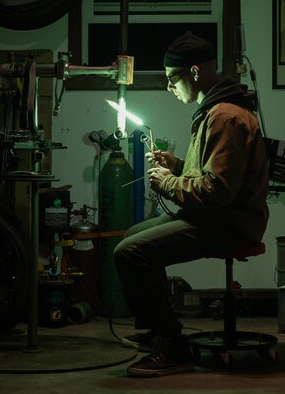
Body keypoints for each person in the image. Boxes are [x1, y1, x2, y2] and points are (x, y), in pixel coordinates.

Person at [113, 30, 269, 377]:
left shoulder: (224, 117)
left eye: (173, 79)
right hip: (215, 216)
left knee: (130, 252)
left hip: (228, 224)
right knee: (135, 234)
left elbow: (218, 192)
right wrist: (179, 166)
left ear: (195, 73)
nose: (170, 88)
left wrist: (167, 182)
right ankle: (158, 331)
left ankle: (175, 348)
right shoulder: (215, 110)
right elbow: (213, 174)